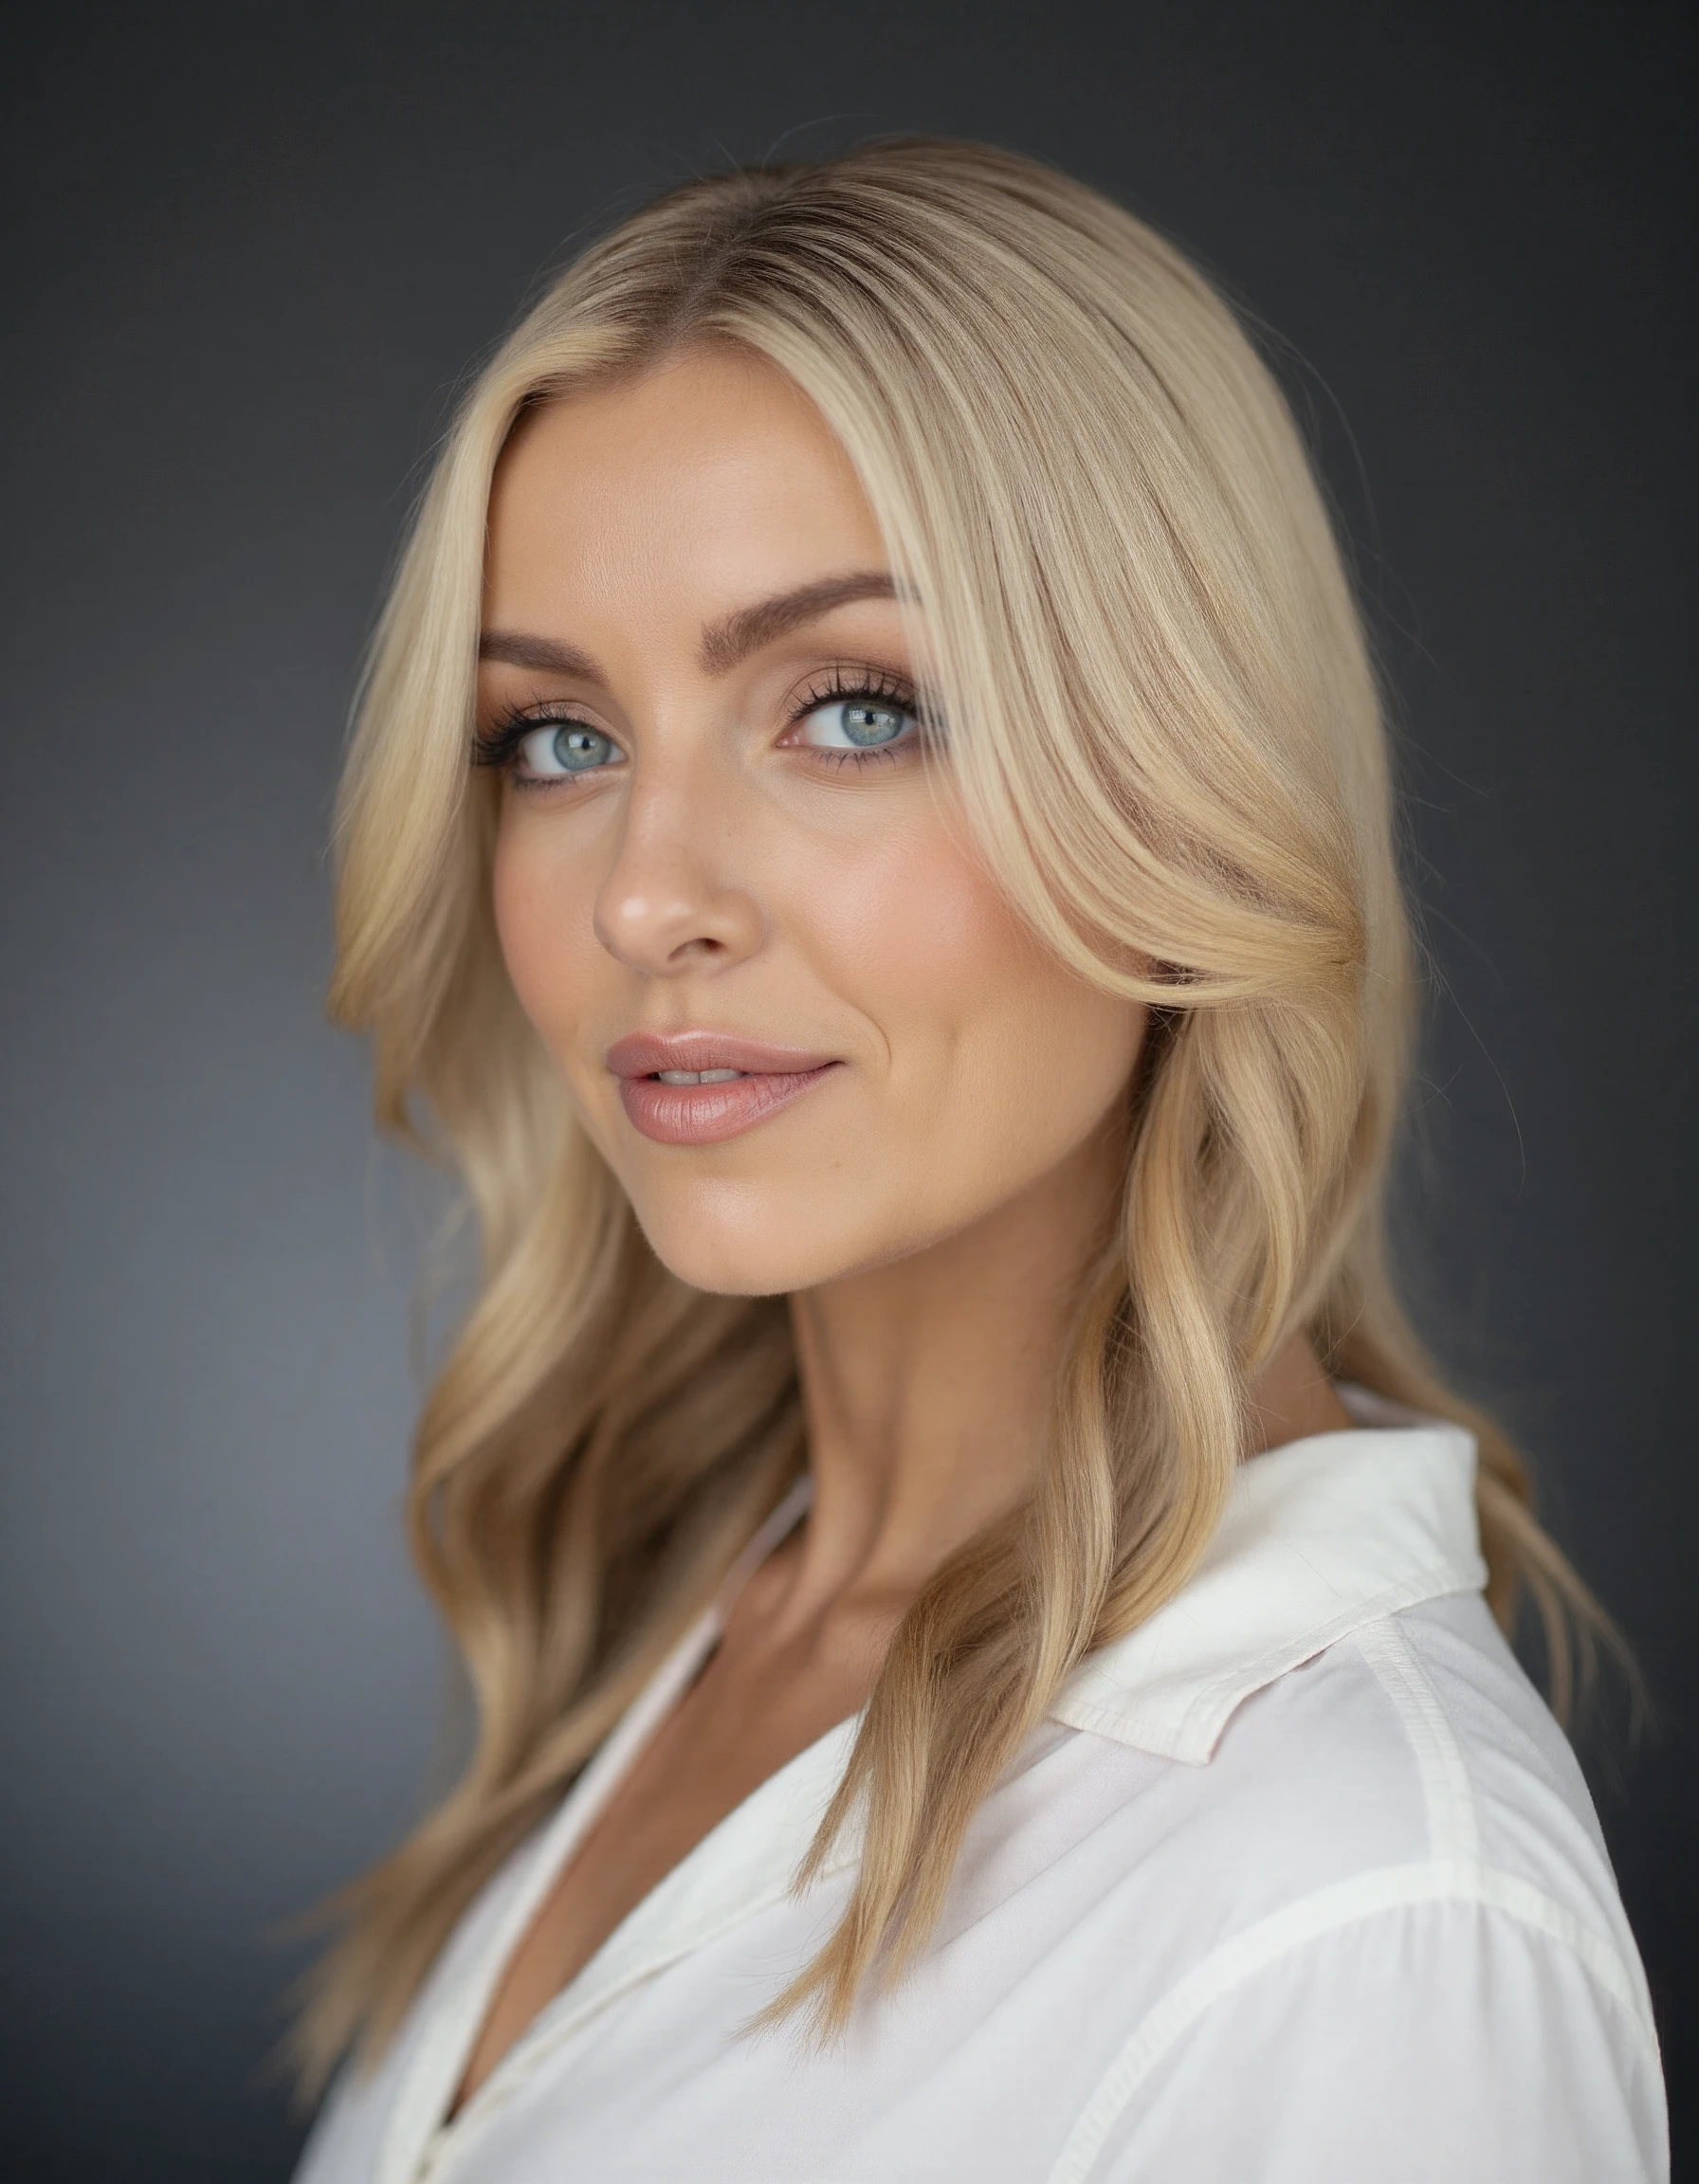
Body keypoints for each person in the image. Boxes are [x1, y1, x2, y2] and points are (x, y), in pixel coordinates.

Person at [290, 140, 1666, 2182]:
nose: (647, 896)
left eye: (850, 711)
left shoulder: (1360, 1918)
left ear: (1177, 779)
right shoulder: (711, 1606)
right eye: (557, 740)